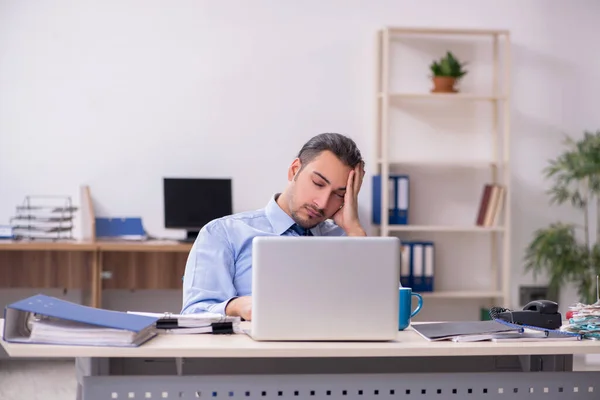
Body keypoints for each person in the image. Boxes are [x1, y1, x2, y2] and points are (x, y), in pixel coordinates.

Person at [181, 133, 366, 320]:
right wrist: (236, 306)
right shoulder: (223, 234)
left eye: (339, 194)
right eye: (318, 184)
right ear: (294, 171)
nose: (322, 203)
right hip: (254, 348)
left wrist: (355, 230)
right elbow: (193, 315)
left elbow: (391, 310)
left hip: (334, 348)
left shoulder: (350, 240)